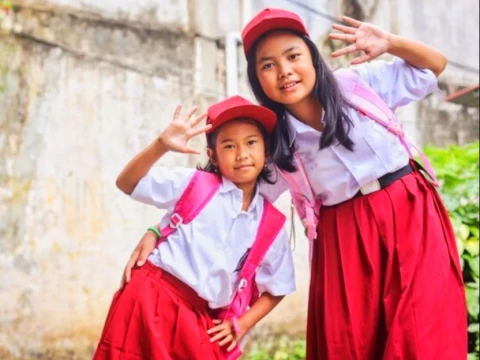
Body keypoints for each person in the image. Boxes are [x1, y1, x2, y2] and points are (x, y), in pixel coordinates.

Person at [125, 8, 468, 360]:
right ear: (258, 80)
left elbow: (433, 66)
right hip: (343, 234)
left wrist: (391, 43)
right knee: (352, 339)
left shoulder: (358, 85)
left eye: (293, 56)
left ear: (312, 58)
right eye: (268, 65)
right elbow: (221, 193)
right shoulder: (276, 144)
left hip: (409, 210)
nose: (284, 71)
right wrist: (159, 229)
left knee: (424, 328)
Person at [93, 95, 296, 360]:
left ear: (266, 151)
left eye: (251, 143)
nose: (242, 154)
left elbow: (278, 285)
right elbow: (127, 182)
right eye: (229, 146)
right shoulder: (194, 184)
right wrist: (160, 146)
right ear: (212, 155)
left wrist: (243, 323)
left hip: (200, 317)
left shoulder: (270, 224)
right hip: (149, 296)